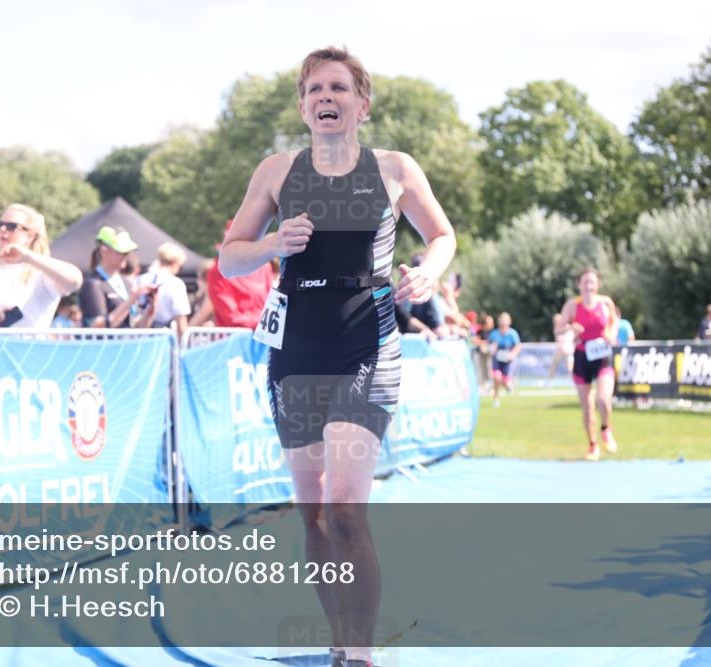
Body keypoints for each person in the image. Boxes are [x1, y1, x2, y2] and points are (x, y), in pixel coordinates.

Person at [218, 46, 456, 667]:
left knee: (347, 509)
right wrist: (271, 243)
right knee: (316, 516)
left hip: (367, 342)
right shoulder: (275, 171)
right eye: (315, 90)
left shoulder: (396, 168)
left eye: (339, 89)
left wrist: (428, 274)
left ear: (362, 105)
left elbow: (442, 235)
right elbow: (229, 257)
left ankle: (360, 650)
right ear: (302, 106)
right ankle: (338, 636)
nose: (326, 98)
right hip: (295, 348)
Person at [559, 267, 619, 462]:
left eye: (592, 282)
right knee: (587, 407)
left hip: (602, 356)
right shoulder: (572, 306)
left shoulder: (605, 303)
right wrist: (570, 328)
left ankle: (606, 428)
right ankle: (592, 444)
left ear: (597, 284)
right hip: (582, 357)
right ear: (579, 285)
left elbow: (615, 321)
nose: (589, 286)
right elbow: (559, 328)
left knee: (603, 399)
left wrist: (612, 334)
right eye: (585, 282)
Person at [78, 226, 157, 329]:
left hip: (126, 343)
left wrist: (151, 309)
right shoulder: (92, 283)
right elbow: (98, 326)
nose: (126, 256)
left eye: (127, 252)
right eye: (121, 252)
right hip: (104, 345)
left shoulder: (126, 282)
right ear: (103, 251)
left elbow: (136, 326)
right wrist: (131, 300)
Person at [205, 220, 275, 329]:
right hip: (235, 339)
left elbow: (272, 305)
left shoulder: (265, 267)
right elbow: (231, 318)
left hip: (263, 334)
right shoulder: (216, 272)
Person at [137, 243, 192, 336]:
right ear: (176, 263)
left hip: (139, 336)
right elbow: (181, 320)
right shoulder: (176, 284)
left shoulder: (140, 279)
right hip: (163, 339)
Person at [488, 312, 521, 407]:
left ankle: (508, 386)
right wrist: (491, 348)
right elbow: (489, 344)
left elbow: (518, 346)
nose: (503, 324)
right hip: (497, 360)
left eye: (505, 322)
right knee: (496, 378)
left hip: (508, 361)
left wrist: (513, 354)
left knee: (506, 381)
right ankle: (496, 399)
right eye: (502, 322)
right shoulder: (494, 333)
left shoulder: (512, 333)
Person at [548, 312, 575, 382]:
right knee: (554, 365)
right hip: (560, 350)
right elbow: (559, 332)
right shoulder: (557, 329)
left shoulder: (567, 327)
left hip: (567, 350)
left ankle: (574, 381)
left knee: (570, 367)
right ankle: (549, 381)